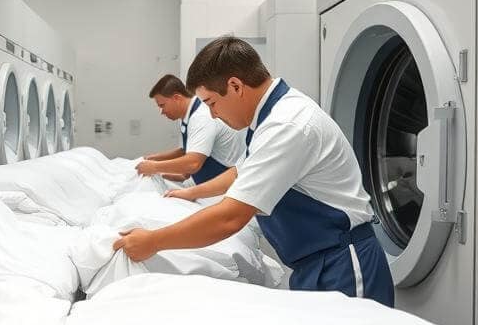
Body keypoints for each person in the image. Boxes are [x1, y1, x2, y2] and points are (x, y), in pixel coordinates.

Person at [113, 36, 395, 307]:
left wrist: (153, 241)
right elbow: (240, 172)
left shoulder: (287, 125)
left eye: (211, 103)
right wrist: (192, 193)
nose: (212, 115)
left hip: (344, 264)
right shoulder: (270, 118)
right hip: (315, 263)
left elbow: (230, 218)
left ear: (235, 86)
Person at [137, 74, 245, 185]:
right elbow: (187, 150)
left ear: (176, 98)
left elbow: (193, 163)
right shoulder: (186, 116)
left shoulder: (201, 117)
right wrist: (151, 159)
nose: (161, 111)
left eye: (162, 105)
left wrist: (154, 167)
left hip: (222, 186)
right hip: (204, 180)